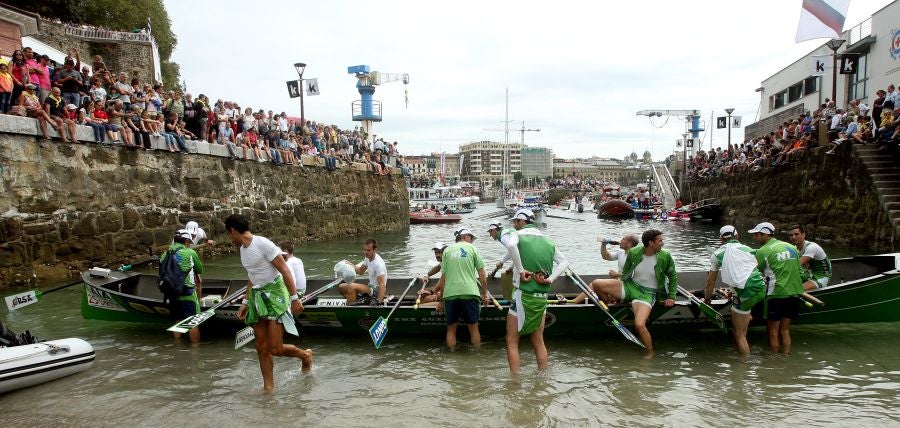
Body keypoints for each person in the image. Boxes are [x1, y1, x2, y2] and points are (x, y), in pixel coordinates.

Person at [226, 214, 312, 393]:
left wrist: (294, 298)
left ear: (232, 231)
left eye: (229, 234)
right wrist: (245, 301)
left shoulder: (263, 244)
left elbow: (285, 270)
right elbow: (252, 277)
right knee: (261, 347)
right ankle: (269, 387)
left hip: (276, 295)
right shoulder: (243, 249)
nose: (230, 238)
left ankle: (305, 355)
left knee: (276, 348)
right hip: (258, 297)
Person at [503, 208, 569, 375]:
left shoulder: (517, 235)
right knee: (538, 341)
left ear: (521, 221)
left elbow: (510, 245)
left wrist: (521, 269)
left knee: (511, 341)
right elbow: (564, 262)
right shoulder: (548, 240)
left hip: (523, 296)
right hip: (541, 298)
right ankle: (542, 380)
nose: (514, 225)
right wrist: (550, 279)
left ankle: (516, 382)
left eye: (515, 222)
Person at [588, 229, 678, 351]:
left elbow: (672, 276)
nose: (663, 243)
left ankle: (649, 353)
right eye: (660, 240)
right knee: (596, 283)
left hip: (648, 293)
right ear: (650, 243)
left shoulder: (665, 256)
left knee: (639, 325)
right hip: (631, 286)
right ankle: (608, 303)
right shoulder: (634, 252)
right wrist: (617, 293)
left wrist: (671, 297)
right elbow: (626, 273)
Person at [704, 226, 766, 354]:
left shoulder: (716, 255)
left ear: (721, 239)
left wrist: (707, 299)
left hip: (746, 293)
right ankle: (747, 314)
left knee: (739, 334)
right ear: (737, 236)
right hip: (761, 288)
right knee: (740, 311)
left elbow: (710, 282)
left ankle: (743, 367)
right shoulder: (750, 250)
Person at [749, 222, 803, 354]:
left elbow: (754, 272)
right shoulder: (792, 247)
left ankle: (774, 362)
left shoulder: (763, 251)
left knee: (773, 331)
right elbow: (799, 270)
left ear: (765, 234)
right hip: (795, 293)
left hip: (776, 295)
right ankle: (786, 357)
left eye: (757, 235)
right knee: (785, 330)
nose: (754, 238)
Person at [432, 228, 489, 349]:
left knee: (451, 329)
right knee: (473, 327)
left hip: (450, 294)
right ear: (466, 236)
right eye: (471, 238)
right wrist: (485, 294)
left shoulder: (447, 251)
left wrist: (441, 300)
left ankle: (452, 355)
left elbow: (443, 279)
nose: (472, 241)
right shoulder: (472, 249)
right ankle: (477, 355)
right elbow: (482, 274)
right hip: (469, 292)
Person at [161, 230, 204, 344]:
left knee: (178, 319)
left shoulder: (165, 254)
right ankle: (195, 352)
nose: (190, 244)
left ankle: (177, 347)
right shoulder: (190, 252)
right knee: (193, 322)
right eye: (189, 242)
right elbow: (200, 270)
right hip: (187, 291)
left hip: (171, 292)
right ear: (186, 241)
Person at [570, 233, 639, 304]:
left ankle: (608, 302)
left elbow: (633, 274)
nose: (620, 240)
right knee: (592, 285)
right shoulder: (621, 253)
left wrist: (617, 274)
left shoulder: (635, 256)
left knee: (596, 283)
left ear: (629, 244)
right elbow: (606, 256)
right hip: (620, 283)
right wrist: (603, 245)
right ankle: (573, 302)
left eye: (623, 239)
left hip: (629, 286)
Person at [339, 239, 388, 305]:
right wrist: (349, 264)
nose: (365, 252)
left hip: (376, 291)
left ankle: (351, 308)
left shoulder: (378, 264)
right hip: (370, 286)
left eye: (368, 250)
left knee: (351, 287)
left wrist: (378, 301)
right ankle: (356, 301)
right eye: (364, 250)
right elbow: (360, 271)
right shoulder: (367, 258)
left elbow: (382, 285)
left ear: (374, 250)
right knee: (341, 287)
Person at [787, 224, 832, 292]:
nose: (793, 237)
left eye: (796, 234)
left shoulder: (812, 247)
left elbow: (795, 265)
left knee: (795, 289)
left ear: (803, 235)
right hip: (809, 273)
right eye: (791, 235)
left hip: (822, 276)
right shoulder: (795, 248)